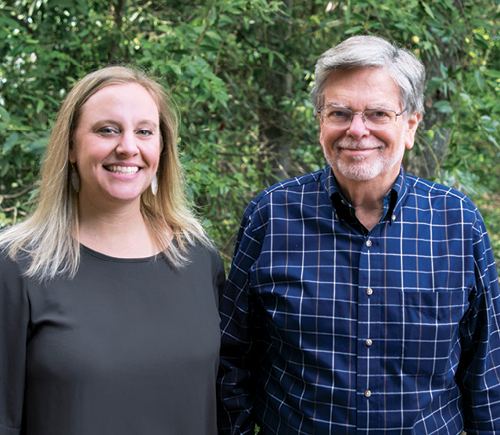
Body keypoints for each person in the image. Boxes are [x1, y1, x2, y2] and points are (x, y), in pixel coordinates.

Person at [217, 35, 500, 434]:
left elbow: (488, 373)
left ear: (411, 125)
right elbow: (232, 360)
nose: (357, 130)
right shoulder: (271, 216)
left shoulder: (457, 222)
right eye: (339, 113)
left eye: (378, 114)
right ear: (320, 122)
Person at [0, 66, 225, 435]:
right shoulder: (18, 265)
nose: (127, 146)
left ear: (162, 148)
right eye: (107, 129)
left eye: (144, 131)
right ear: (71, 147)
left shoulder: (197, 257)